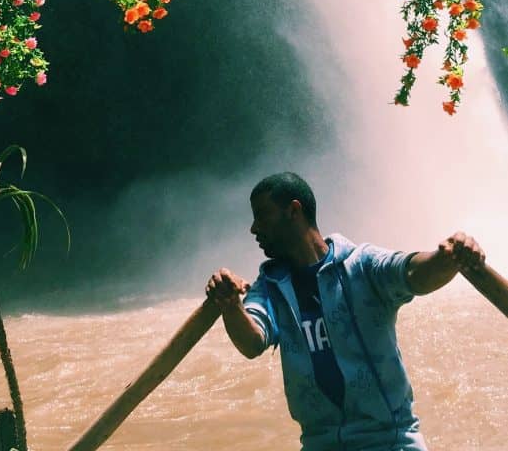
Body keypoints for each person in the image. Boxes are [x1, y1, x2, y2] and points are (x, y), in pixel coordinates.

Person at [206, 171, 484, 451]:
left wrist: (449, 256)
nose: (253, 228)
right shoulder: (269, 286)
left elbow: (413, 273)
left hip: (391, 441)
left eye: (262, 215)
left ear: (293, 211)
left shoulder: (361, 265)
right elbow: (252, 341)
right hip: (319, 444)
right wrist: (231, 306)